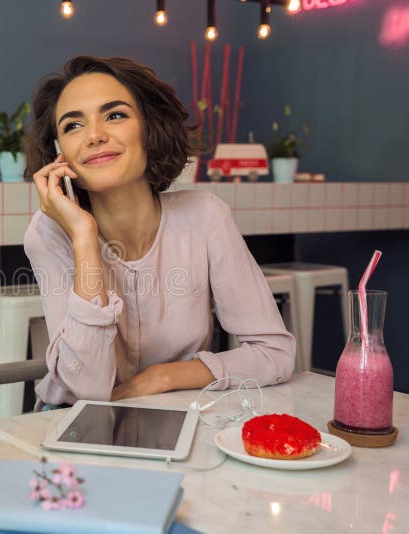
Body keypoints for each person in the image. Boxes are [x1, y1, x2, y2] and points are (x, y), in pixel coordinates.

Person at [23, 55, 295, 407]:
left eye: (115, 115)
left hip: (182, 411)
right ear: (60, 155)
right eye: (73, 126)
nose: (94, 136)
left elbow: (275, 353)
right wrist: (84, 237)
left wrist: (163, 377)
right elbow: (87, 390)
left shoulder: (205, 216)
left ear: (150, 130)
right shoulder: (51, 234)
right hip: (73, 423)